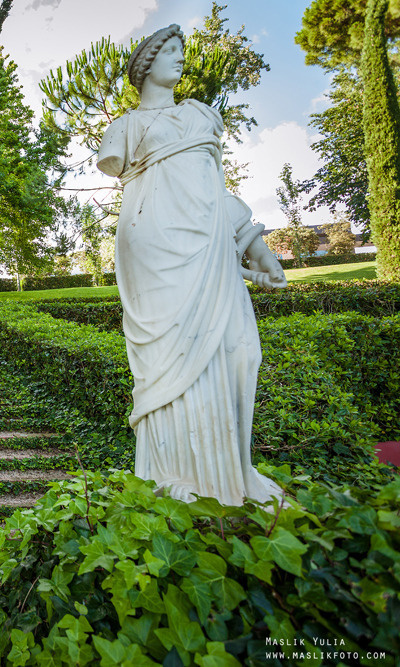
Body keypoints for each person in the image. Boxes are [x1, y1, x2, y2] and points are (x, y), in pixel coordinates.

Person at [96, 24, 287, 506]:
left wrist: (253, 247)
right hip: (153, 246)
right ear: (146, 64)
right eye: (171, 52)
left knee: (238, 350)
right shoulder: (125, 127)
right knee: (167, 358)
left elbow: (213, 190)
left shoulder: (202, 115)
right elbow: (117, 166)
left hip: (207, 246)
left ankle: (229, 475)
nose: (180, 60)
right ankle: (171, 472)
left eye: (183, 52)